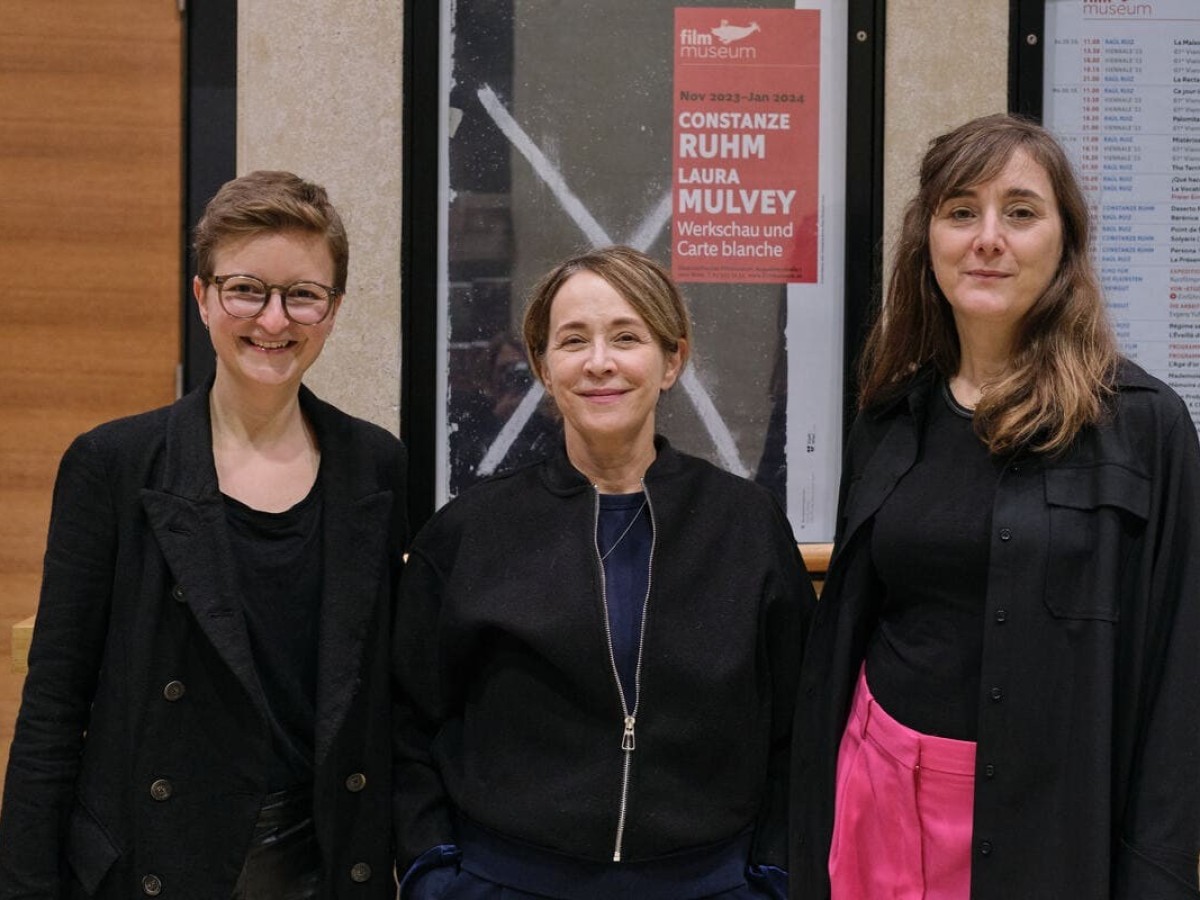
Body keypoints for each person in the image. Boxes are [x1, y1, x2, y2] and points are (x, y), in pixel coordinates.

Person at [790, 113, 1200, 899]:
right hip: (874, 793)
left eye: (1019, 211)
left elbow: (1178, 676)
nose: (987, 238)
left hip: (1047, 824)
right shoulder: (888, 414)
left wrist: (1157, 876)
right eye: (960, 211)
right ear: (929, 241)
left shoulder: (1145, 425)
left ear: (1064, 242)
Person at [0, 171, 408, 898]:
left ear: (334, 310)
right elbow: (54, 706)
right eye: (246, 289)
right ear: (203, 296)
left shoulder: (375, 466)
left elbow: (387, 695)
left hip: (325, 859)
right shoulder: (113, 464)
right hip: (160, 858)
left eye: (303, 295)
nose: (274, 320)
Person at [394, 245, 815, 900]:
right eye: (572, 341)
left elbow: (797, 727)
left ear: (672, 359)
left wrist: (772, 875)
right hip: (507, 883)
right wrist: (432, 873)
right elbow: (405, 724)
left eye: (626, 337)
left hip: (709, 885)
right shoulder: (470, 534)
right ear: (542, 364)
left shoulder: (745, 527)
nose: (599, 363)